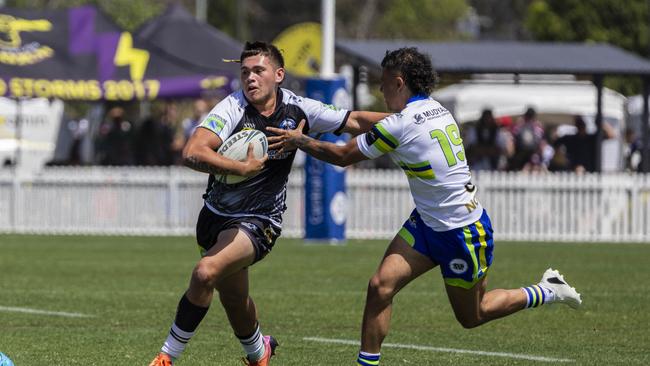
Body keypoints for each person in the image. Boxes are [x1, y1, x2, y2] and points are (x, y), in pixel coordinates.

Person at [267, 47, 582, 366]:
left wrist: (300, 141)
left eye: (384, 82)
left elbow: (344, 156)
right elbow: (370, 123)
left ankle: (547, 289)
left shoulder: (401, 124)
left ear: (400, 82)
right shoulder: (436, 109)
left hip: (463, 233)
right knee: (380, 286)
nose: (381, 89)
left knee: (474, 315)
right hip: (428, 224)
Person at [148, 41, 387, 366]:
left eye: (258, 71)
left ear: (278, 74)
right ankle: (260, 353)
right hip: (215, 218)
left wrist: (410, 120)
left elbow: (354, 121)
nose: (251, 78)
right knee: (234, 299)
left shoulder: (299, 109)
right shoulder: (231, 107)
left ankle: (167, 356)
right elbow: (192, 152)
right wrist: (239, 167)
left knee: (205, 273)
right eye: (245, 72)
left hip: (261, 221)